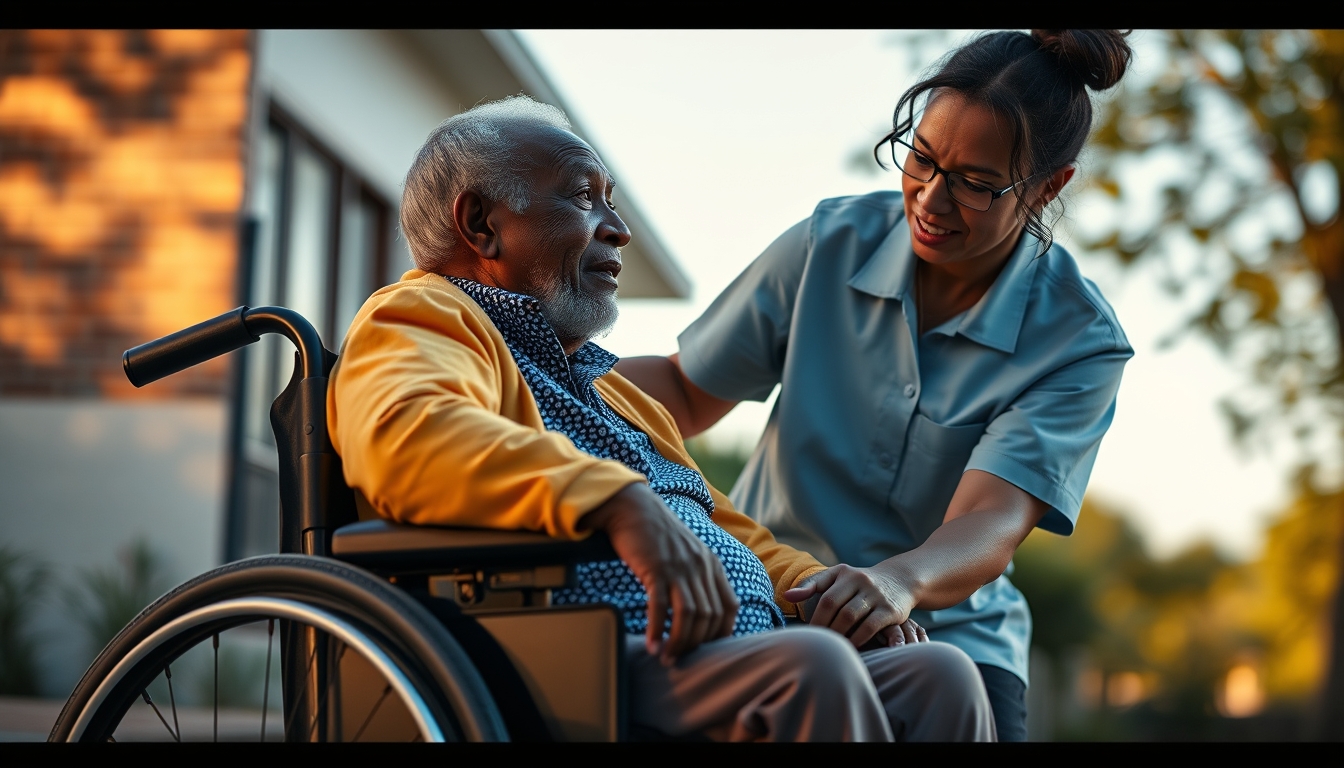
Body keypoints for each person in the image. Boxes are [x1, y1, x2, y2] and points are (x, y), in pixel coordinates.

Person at [326, 95, 996, 741]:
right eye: (583, 197)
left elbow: (721, 524)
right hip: (561, 656)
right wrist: (619, 504)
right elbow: (411, 433)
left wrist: (821, 589)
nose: (616, 228)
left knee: (938, 676)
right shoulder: (423, 317)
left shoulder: (618, 392)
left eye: (611, 201)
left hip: (714, 654)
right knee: (808, 672)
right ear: (480, 224)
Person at [615, 29, 1136, 741]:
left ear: (1050, 187)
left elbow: (990, 519)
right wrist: (540, 381)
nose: (931, 199)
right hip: (776, 595)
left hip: (952, 633)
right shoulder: (829, 243)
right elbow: (682, 390)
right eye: (921, 158)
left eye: (976, 184)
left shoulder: (1078, 339)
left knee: (951, 689)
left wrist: (897, 583)